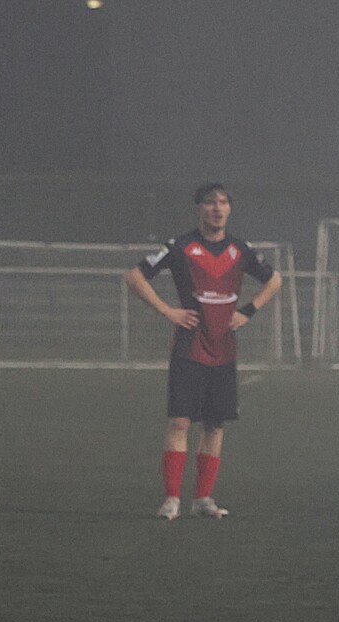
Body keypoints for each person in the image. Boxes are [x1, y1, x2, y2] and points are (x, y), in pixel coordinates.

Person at [125, 182, 281, 520]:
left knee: (214, 424)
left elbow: (274, 280)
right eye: (210, 202)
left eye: (223, 202)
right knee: (180, 421)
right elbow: (135, 277)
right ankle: (171, 498)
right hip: (190, 346)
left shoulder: (240, 249)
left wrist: (248, 311)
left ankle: (203, 499)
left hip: (223, 348)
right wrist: (167, 311)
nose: (217, 208)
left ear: (229, 209)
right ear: (199, 208)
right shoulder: (180, 246)